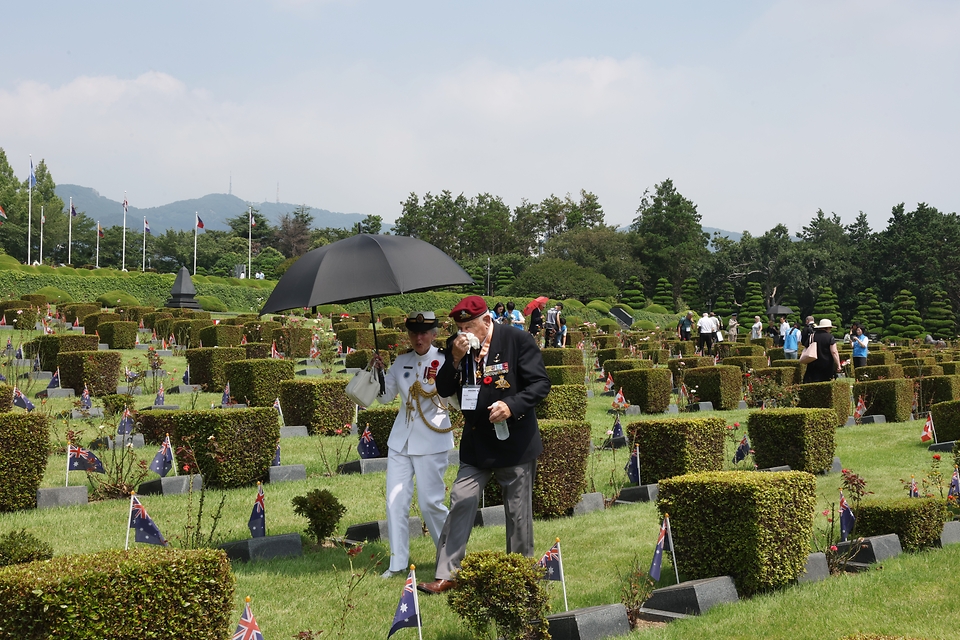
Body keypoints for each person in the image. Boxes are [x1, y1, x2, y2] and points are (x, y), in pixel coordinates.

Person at [418, 296, 551, 595]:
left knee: (518, 513)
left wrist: (512, 405)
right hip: (477, 443)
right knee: (461, 498)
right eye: (460, 326)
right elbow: (444, 388)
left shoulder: (517, 340)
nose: (464, 332)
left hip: (513, 443)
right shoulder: (459, 346)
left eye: (470, 325)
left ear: (487, 321)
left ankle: (519, 573)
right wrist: (453, 358)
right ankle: (447, 574)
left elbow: (540, 384)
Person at [370, 311, 455, 578]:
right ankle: (397, 563)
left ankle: (449, 558)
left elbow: (454, 399)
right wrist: (378, 372)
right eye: (414, 332)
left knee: (430, 503)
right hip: (401, 440)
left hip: (432, 439)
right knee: (395, 501)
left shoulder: (444, 361)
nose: (419, 337)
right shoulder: (402, 361)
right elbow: (385, 399)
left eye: (424, 332)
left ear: (434, 334)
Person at [802, 318, 842, 383]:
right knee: (826, 384)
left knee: (813, 383)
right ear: (827, 328)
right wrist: (838, 365)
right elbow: (834, 352)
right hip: (826, 365)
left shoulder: (812, 335)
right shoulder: (830, 337)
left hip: (813, 362)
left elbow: (806, 346)